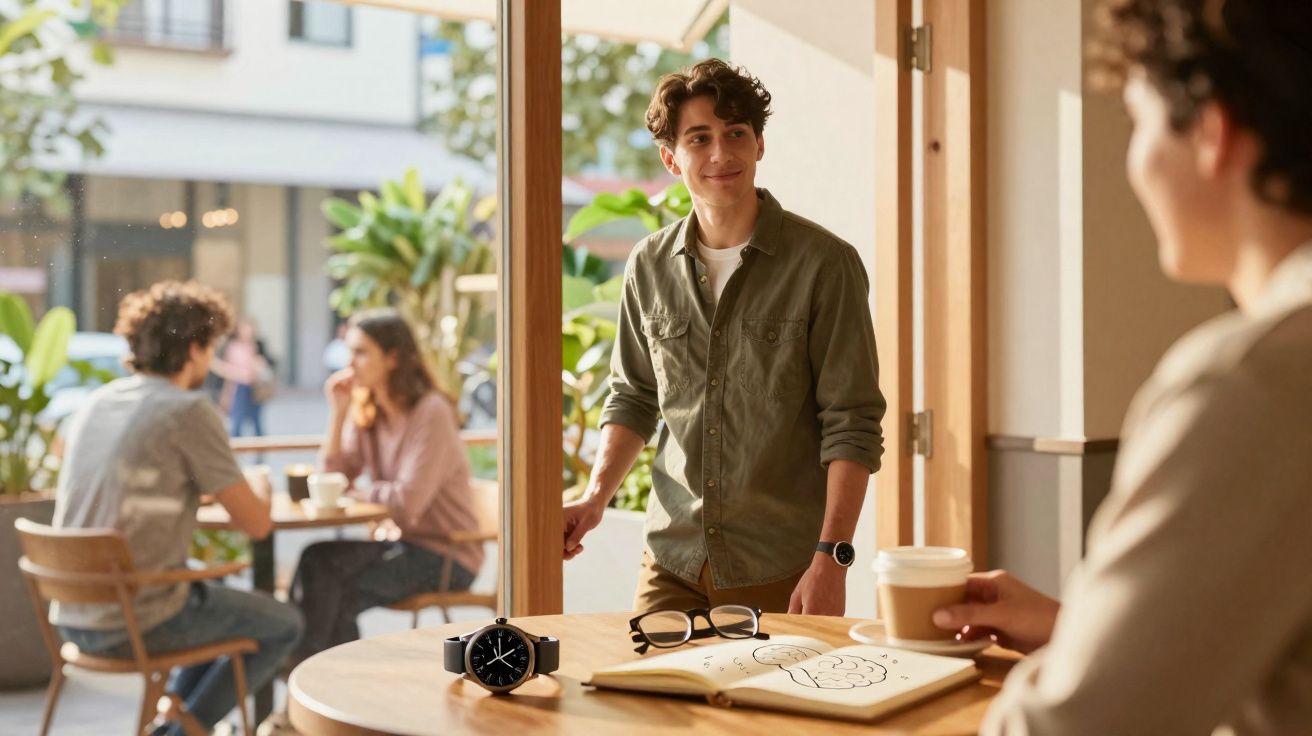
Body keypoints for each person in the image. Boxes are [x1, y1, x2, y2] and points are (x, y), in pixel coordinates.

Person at [930, 2, 1312, 732]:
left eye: (1135, 121)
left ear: (1212, 132)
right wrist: (1089, 632)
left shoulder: (1249, 384)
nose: (1132, 159)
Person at [562, 59, 886, 616]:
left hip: (781, 565)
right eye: (700, 138)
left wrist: (831, 558)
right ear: (671, 158)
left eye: (736, 133)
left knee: (772, 705)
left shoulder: (825, 265)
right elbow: (634, 396)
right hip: (673, 558)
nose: (721, 154)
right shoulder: (648, 265)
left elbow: (852, 422)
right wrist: (595, 500)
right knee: (650, 699)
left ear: (759, 145)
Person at [51, 281, 303, 735]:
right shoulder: (189, 410)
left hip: (70, 615)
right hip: (134, 621)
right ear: (193, 349)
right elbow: (256, 523)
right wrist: (259, 485)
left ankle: (173, 721)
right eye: (211, 348)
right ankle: (183, 730)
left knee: (215, 606)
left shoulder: (97, 402)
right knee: (282, 622)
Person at [289, 308, 484, 662]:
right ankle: (323, 693)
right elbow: (334, 476)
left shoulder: (431, 411)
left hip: (446, 555)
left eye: (361, 352)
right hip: (401, 544)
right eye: (349, 352)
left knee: (334, 591)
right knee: (316, 559)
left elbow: (407, 503)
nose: (349, 364)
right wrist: (337, 412)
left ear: (393, 357)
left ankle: (308, 688)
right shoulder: (370, 408)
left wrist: (357, 492)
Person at [213, 318, 274, 439]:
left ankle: (260, 454)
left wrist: (259, 365)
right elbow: (228, 372)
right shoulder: (233, 347)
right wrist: (227, 395)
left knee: (257, 424)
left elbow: (267, 365)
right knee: (237, 423)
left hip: (255, 388)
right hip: (240, 387)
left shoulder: (258, 345)